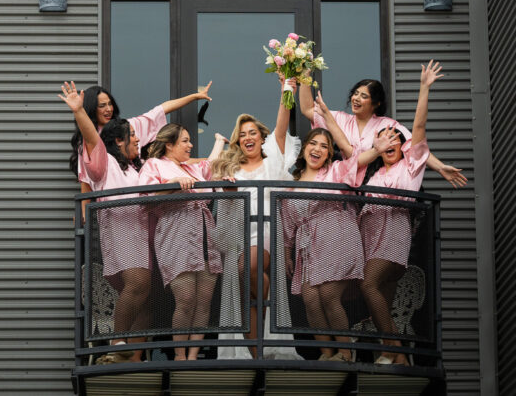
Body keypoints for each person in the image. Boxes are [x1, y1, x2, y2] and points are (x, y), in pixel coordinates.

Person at [329, 61, 442, 365]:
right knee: (379, 296)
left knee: (368, 284)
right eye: (386, 139)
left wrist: (424, 88)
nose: (391, 142)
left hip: (392, 233)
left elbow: (418, 129)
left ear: (405, 147)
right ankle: (393, 354)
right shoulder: (375, 175)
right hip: (370, 234)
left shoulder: (411, 165)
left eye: (396, 140)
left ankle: (396, 349)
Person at [280, 115, 388, 362]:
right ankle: (328, 354)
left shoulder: (335, 171)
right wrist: (287, 253)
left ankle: (345, 352)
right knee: (310, 298)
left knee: (328, 295)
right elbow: (287, 223)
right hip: (307, 244)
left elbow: (356, 162)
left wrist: (376, 150)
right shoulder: (290, 185)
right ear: (304, 148)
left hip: (336, 233)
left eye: (324, 147)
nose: (317, 149)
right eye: (313, 144)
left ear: (329, 155)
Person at [59, 81, 153, 364]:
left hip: (142, 241)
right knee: (138, 282)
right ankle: (117, 341)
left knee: (146, 301)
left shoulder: (138, 169)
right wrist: (79, 112)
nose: (138, 140)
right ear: (119, 141)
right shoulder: (106, 165)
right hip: (120, 237)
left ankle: (130, 359)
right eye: (132, 136)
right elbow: (92, 141)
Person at [209, 77, 301, 359]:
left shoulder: (272, 160)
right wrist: (229, 189)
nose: (248, 138)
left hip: (266, 234)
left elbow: (282, 127)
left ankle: (258, 344)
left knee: (249, 269)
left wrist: (287, 89)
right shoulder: (232, 168)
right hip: (239, 234)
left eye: (252, 133)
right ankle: (255, 355)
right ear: (237, 141)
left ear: (261, 137)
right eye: (242, 135)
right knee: (251, 291)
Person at [140, 124, 226, 360]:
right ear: (169, 144)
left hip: (206, 233)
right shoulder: (154, 164)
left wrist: (224, 177)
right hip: (176, 233)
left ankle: (192, 355)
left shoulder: (193, 168)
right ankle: (179, 355)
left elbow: (211, 168)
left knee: (204, 300)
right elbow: (146, 198)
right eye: (185, 141)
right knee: (186, 298)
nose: (190, 146)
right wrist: (172, 185)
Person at [299, 76, 465, 188]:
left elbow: (414, 146)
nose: (356, 98)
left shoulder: (387, 125)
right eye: (355, 94)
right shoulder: (340, 119)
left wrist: (441, 168)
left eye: (363, 96)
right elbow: (307, 109)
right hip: (346, 185)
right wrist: (304, 74)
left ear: (376, 103)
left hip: (373, 187)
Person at [69, 84, 214, 212]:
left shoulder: (128, 127)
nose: (108, 109)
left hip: (145, 213)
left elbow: (159, 111)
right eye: (102, 105)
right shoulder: (91, 146)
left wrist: (194, 97)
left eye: (110, 104)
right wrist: (83, 217)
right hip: (117, 215)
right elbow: (86, 182)